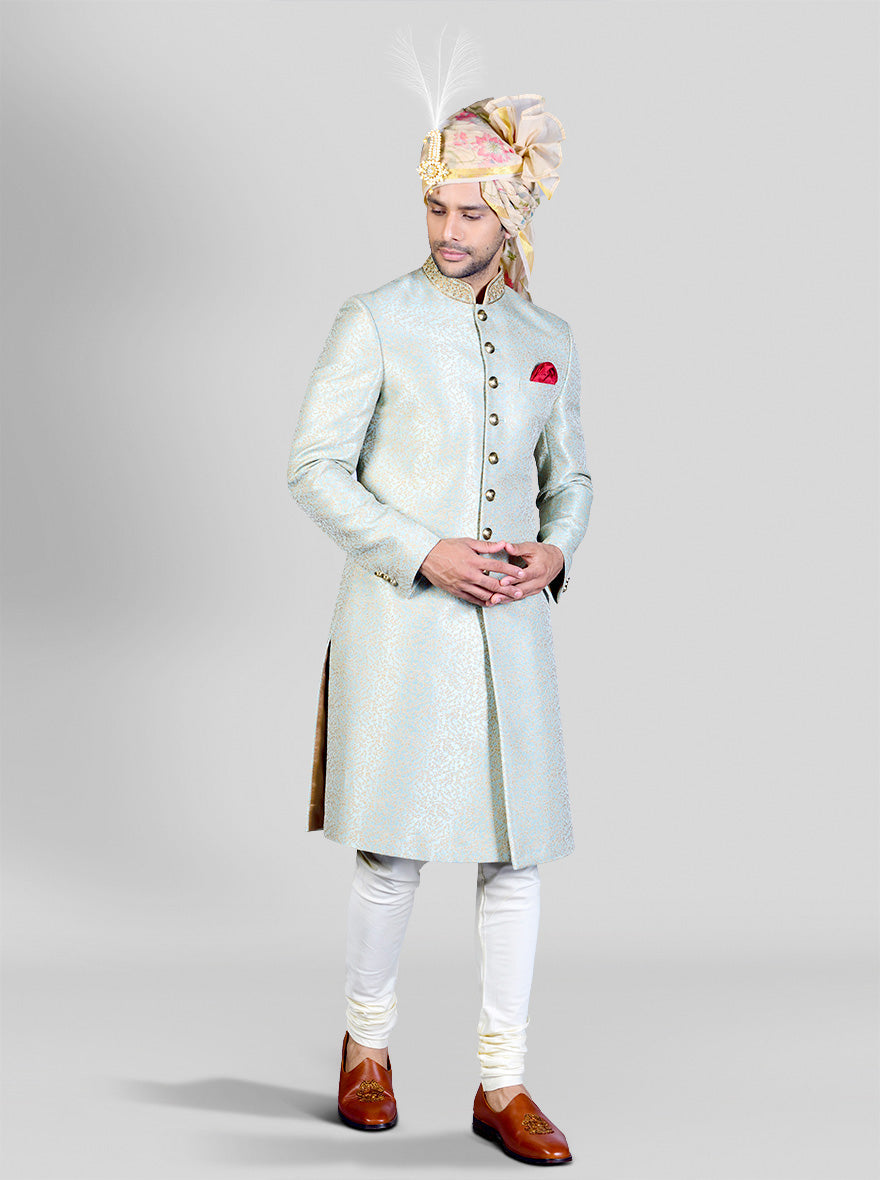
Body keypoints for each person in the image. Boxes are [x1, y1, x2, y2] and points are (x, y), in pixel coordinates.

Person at [286, 94, 593, 1166]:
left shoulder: (548, 338)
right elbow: (313, 468)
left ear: (514, 217)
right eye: (435, 208)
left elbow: (573, 478)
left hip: (513, 632)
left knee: (516, 858)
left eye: (472, 213)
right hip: (404, 622)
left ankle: (502, 1083)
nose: (449, 231)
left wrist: (557, 549)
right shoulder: (375, 319)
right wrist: (422, 550)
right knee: (393, 849)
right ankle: (366, 1049)